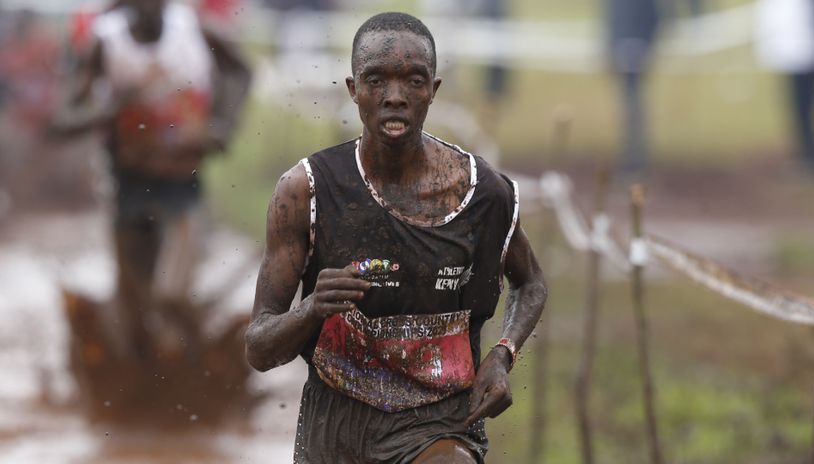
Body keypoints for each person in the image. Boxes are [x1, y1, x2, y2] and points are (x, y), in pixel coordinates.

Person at [245, 12, 547, 464]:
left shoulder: (482, 193)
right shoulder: (307, 191)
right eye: (376, 81)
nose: (395, 98)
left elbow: (531, 283)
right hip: (337, 426)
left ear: (434, 91)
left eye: (413, 81)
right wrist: (312, 309)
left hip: (438, 421)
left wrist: (503, 354)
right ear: (352, 90)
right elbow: (259, 348)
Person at [52, 0, 251, 359]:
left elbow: (242, 71)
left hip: (182, 184)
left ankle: (201, 356)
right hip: (126, 182)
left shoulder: (194, 28)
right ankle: (141, 385)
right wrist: (108, 111)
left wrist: (223, 124)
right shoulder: (104, 40)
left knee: (171, 293)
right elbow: (65, 117)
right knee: (135, 309)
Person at [755, 0, 814, 174]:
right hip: (797, 54)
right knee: (799, 107)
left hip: (806, 54)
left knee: (803, 107)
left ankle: (810, 158)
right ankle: (807, 155)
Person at [605, 0, 659, 173]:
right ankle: (633, 156)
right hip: (629, 47)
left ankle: (635, 156)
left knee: (632, 105)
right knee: (631, 104)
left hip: (635, 48)